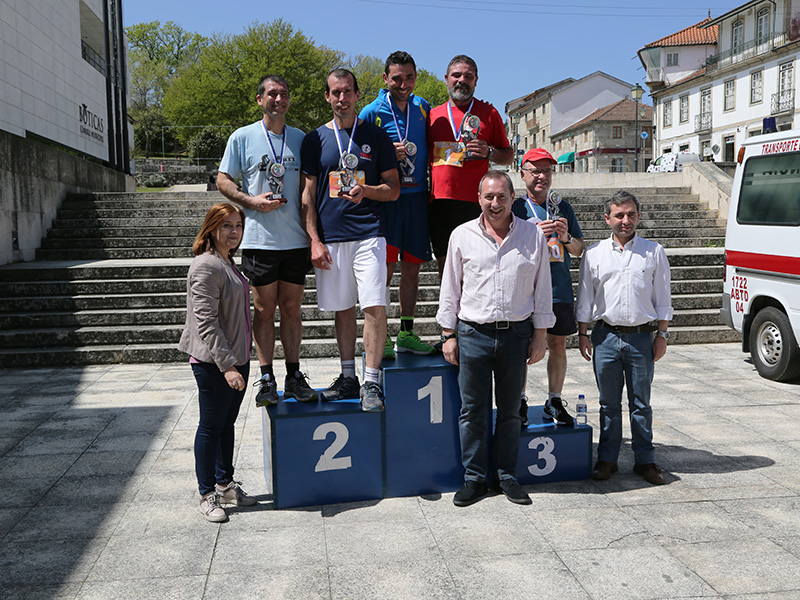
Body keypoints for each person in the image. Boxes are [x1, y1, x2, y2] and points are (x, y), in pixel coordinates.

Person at [437, 170, 555, 507]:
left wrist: (540, 336)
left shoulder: (531, 236)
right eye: (489, 196)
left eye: (502, 196)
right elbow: (451, 288)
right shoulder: (461, 235)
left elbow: (542, 288)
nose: (495, 203)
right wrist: (448, 334)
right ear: (478, 199)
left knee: (509, 411)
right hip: (473, 333)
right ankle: (474, 478)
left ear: (512, 198)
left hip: (517, 335)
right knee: (472, 411)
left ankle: (506, 475)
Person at [300, 68, 400, 412]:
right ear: (327, 97)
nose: (341, 99)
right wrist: (313, 240)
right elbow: (307, 196)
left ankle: (371, 380)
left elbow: (393, 189)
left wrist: (367, 190)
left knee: (374, 304)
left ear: (358, 95)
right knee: (342, 309)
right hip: (331, 238)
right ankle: (347, 377)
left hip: (369, 233)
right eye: (335, 93)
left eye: (347, 92)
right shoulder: (314, 140)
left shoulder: (377, 135)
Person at [217, 75, 316, 408]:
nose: (279, 99)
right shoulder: (242, 136)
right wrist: (250, 201)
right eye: (272, 94)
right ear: (259, 99)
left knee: (291, 309)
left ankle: (293, 375)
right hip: (260, 240)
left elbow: (307, 187)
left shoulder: (301, 138)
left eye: (284, 94)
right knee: (263, 310)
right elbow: (222, 179)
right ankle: (267, 376)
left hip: (295, 240)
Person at [576, 190, 673, 486]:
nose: (625, 220)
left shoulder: (653, 252)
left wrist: (663, 335)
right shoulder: (593, 254)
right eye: (619, 215)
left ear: (638, 217)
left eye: (631, 214)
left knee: (641, 404)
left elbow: (663, 298)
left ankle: (645, 461)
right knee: (608, 404)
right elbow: (584, 298)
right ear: (607, 218)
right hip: (605, 336)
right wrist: (582, 334)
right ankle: (607, 459)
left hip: (642, 338)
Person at [178, 203, 258, 522]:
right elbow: (206, 323)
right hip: (214, 363)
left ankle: (225, 484)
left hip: (237, 358)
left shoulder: (228, 262)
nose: (234, 231)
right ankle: (206, 493)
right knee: (210, 428)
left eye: (238, 225)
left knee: (226, 425)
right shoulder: (206, 266)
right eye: (227, 225)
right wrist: (227, 366)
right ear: (212, 228)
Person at [359, 51, 435, 359]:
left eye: (409, 77)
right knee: (385, 268)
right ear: (385, 79)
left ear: (415, 77)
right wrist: (386, 152)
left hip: (417, 198)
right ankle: (382, 331)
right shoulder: (371, 111)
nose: (403, 84)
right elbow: (357, 155)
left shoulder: (423, 108)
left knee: (413, 267)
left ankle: (405, 331)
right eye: (397, 78)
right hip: (387, 200)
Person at [512, 148, 585, 426]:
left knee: (557, 345)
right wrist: (531, 234)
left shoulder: (562, 206)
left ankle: (554, 399)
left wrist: (565, 237)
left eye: (547, 171)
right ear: (523, 174)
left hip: (558, 289)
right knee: (521, 348)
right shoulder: (515, 207)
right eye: (536, 170)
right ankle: (518, 400)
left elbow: (579, 250)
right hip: (525, 291)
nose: (542, 176)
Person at [428, 55, 513, 279]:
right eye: (456, 75)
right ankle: (449, 313)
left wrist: (490, 152)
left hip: (476, 201)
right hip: (440, 201)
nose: (461, 80)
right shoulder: (432, 116)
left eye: (468, 76)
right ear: (446, 79)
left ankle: (473, 314)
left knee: (476, 264)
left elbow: (509, 155)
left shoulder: (489, 113)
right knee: (445, 266)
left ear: (476, 81)